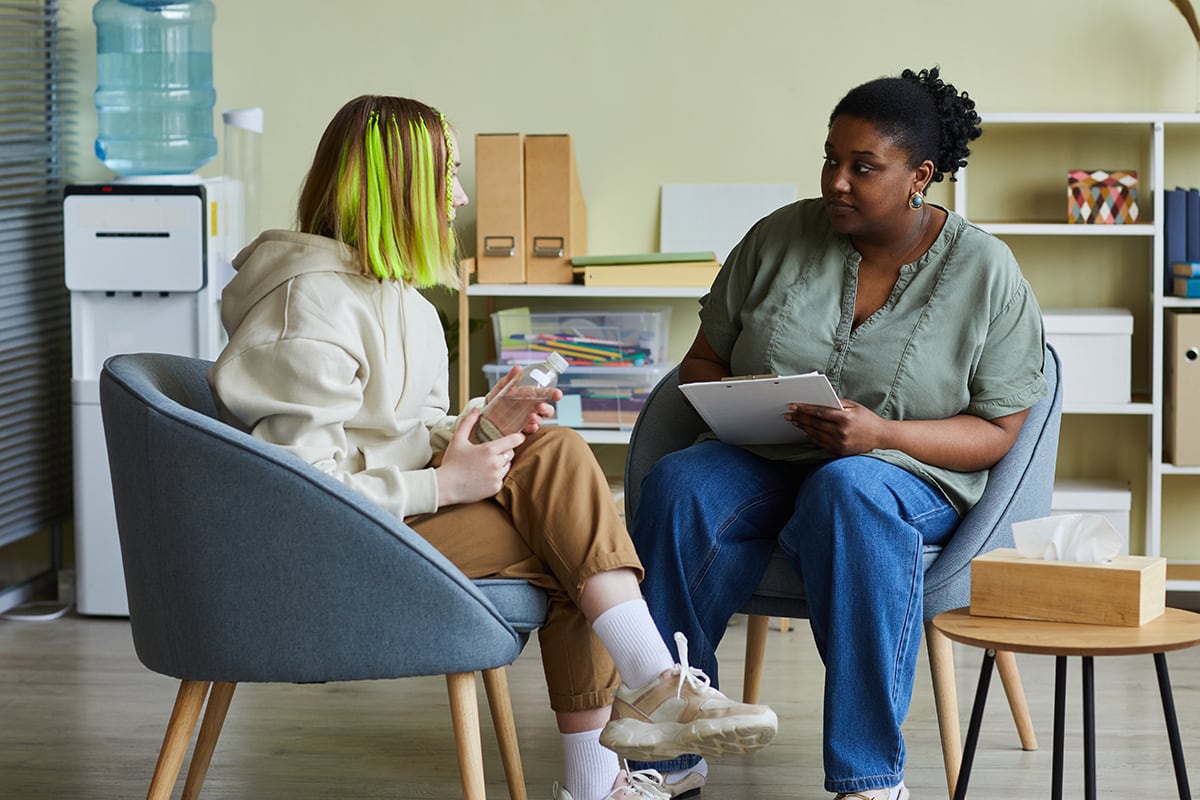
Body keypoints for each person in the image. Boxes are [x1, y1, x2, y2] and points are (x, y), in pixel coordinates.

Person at [206, 94, 778, 800]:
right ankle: (642, 711)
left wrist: (481, 429)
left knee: (560, 476)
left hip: (390, 522)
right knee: (571, 543)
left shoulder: (407, 304)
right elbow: (298, 494)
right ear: (396, 189)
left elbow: (402, 434)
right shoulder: (307, 308)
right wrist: (444, 485)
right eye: (445, 177)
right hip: (321, 551)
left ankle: (638, 716)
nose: (460, 197)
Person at [627, 67, 1048, 800]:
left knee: (848, 491)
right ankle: (671, 754)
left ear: (920, 176)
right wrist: (740, 405)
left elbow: (999, 431)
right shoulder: (777, 237)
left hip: (908, 475)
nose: (836, 182)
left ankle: (870, 778)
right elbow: (703, 360)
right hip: (767, 456)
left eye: (863, 166)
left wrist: (883, 435)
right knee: (681, 484)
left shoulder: (986, 270)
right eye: (830, 159)